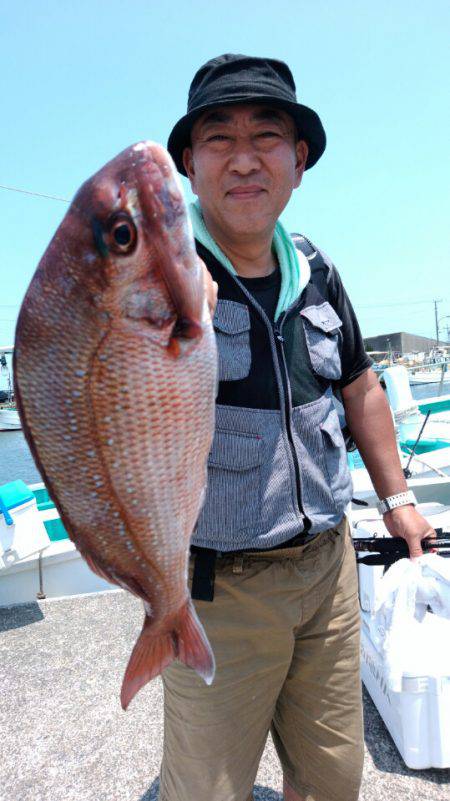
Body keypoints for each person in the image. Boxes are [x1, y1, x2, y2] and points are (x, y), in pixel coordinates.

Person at [159, 53, 435, 801]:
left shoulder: (318, 269)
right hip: (216, 590)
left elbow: (360, 384)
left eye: (267, 135)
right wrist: (167, 314)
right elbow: (95, 396)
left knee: (331, 776)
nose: (244, 158)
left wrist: (396, 497)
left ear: (299, 160)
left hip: (327, 569)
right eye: (218, 138)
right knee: (204, 788)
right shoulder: (155, 275)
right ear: (188, 163)